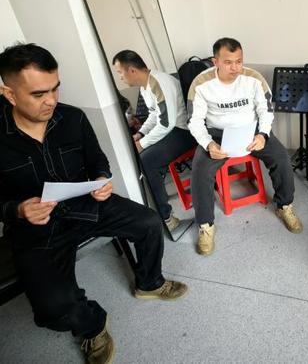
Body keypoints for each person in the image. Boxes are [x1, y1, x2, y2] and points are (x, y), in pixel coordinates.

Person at [0, 44, 187, 364]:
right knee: (53, 310)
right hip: (35, 225)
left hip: (85, 204)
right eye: (39, 94)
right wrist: (17, 209)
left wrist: (101, 178)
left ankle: (149, 282)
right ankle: (92, 327)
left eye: (55, 88)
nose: (51, 100)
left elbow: (97, 161)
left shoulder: (72, 118)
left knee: (148, 222)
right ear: (9, 94)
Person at [187, 38, 302, 255]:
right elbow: (194, 121)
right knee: (200, 171)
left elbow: (266, 110)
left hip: (252, 131)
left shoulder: (253, 78)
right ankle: (206, 225)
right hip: (217, 135)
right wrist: (208, 144)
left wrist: (263, 134)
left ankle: (284, 206)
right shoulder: (201, 84)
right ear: (215, 62)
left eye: (239, 61)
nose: (235, 68)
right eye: (228, 62)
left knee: (282, 159)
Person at [112, 50, 196, 232]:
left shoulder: (158, 82)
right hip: (171, 129)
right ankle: (157, 203)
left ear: (131, 70)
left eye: (120, 72)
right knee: (144, 156)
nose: (120, 77)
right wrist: (140, 134)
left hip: (184, 131)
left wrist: (142, 145)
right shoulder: (145, 86)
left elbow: (166, 123)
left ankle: (166, 217)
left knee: (146, 160)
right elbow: (154, 115)